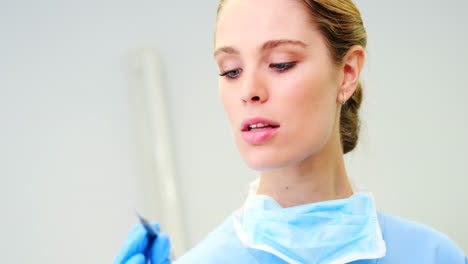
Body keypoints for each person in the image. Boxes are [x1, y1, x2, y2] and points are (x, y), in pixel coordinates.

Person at [113, 0, 467, 263]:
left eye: (281, 63)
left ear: (346, 73)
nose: (250, 89)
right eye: (231, 70)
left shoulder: (433, 255)